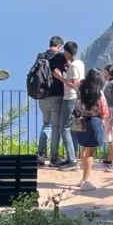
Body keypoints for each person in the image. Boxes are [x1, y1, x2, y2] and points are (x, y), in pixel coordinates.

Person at [36, 36, 74, 168]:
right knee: (56, 127)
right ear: (58, 46)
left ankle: (40, 155)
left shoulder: (40, 56)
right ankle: (53, 158)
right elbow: (69, 69)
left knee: (46, 124)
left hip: (42, 96)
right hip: (56, 96)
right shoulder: (60, 57)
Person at [74, 69, 108, 191]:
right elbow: (104, 110)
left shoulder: (80, 89)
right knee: (90, 153)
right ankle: (86, 180)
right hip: (93, 122)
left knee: (83, 149)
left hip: (80, 121)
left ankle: (83, 179)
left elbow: (76, 85)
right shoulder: (99, 94)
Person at [59, 41, 85, 172]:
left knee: (64, 128)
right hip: (76, 99)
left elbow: (74, 84)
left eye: (65, 52)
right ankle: (72, 157)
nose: (64, 54)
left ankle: (73, 161)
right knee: (72, 130)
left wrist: (60, 78)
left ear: (69, 52)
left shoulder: (74, 66)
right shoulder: (80, 63)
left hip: (70, 98)